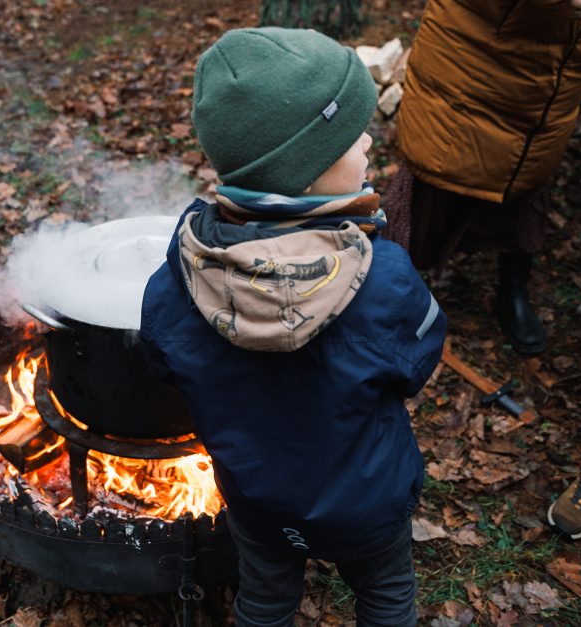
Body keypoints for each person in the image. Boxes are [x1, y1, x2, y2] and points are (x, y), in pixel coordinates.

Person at [140, 28, 447, 627]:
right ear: (306, 172)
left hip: (258, 504)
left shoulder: (174, 283)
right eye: (350, 135)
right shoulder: (383, 279)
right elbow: (417, 366)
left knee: (264, 597)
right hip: (366, 503)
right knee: (385, 592)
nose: (366, 141)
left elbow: (163, 367)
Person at [385, 0, 581, 355]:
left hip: (549, 77)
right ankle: (387, 296)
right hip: (475, 62)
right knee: (435, 180)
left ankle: (512, 289)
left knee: (526, 178)